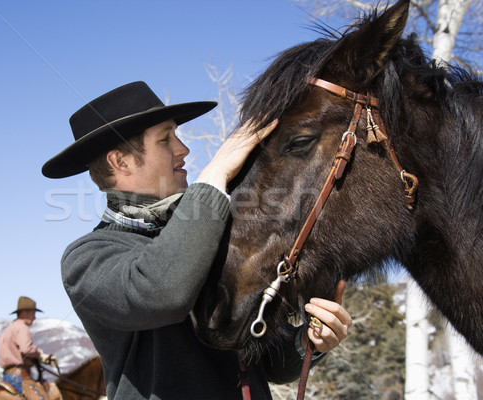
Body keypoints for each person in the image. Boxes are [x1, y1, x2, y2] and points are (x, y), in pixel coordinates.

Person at [42, 81, 352, 399]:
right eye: (165, 139)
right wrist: (215, 174)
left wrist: (305, 343)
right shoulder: (87, 258)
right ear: (120, 162)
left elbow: (269, 361)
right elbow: (161, 292)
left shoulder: (215, 232)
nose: (183, 149)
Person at [0, 296, 58, 395]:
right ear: (24, 313)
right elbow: (26, 349)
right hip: (19, 377)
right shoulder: (22, 327)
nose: (34, 317)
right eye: (33, 313)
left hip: (7, 376)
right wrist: (40, 355)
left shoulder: (9, 329)